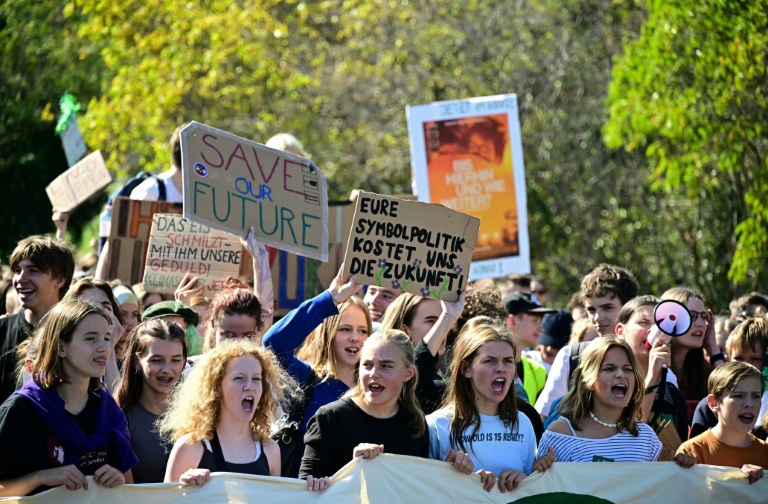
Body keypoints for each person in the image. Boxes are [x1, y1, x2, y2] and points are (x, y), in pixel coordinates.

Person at [300, 329, 472, 491]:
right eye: (367, 365)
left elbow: (418, 489)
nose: (374, 373)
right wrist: (353, 467)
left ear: (408, 373)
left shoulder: (415, 424)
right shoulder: (330, 418)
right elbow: (304, 488)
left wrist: (449, 470)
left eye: (386, 366)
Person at [0, 299, 137, 496]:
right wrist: (40, 478)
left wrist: (119, 479)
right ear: (61, 347)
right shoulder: (20, 410)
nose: (104, 348)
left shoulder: (110, 412)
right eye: (91, 338)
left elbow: (131, 490)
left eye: (106, 338)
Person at [427, 321, 555, 493]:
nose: (501, 369)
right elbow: (422, 488)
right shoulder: (438, 425)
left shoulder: (523, 422)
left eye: (508, 361)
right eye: (490, 361)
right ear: (466, 369)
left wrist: (527, 478)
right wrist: (453, 474)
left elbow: (530, 491)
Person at [262, 267, 366, 476]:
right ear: (329, 334)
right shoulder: (305, 379)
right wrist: (330, 300)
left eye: (363, 330)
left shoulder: (375, 389)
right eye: (345, 329)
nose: (355, 337)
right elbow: (274, 343)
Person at [537, 337, 693, 466]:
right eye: (609, 368)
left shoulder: (646, 437)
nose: (620, 375)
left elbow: (658, 490)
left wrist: (678, 466)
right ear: (588, 381)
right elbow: (538, 491)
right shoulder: (560, 433)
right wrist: (539, 469)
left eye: (627, 369)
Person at [160, 339, 295, 485]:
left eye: (256, 379)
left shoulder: (271, 450)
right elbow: (167, 500)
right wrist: (184, 488)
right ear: (216, 388)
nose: (250, 386)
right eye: (239, 378)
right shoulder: (190, 447)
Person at [535, 264, 639, 420]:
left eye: (607, 307)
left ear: (629, 307)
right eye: (591, 310)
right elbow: (544, 416)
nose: (597, 317)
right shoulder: (571, 356)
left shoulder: (646, 356)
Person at [0, 236, 75, 403]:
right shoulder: (2, 329)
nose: (20, 279)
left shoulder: (75, 334)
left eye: (33, 271)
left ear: (60, 280)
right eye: (17, 270)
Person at [115, 319, 187, 483]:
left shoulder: (198, 413)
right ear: (137, 362)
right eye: (156, 360)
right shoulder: (121, 417)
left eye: (176, 360)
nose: (167, 369)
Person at [677, 361, 768, 484]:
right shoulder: (692, 452)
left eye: (756, 396)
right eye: (738, 395)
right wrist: (735, 478)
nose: (749, 404)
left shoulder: (765, 453)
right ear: (714, 403)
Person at [614, 296, 688, 441]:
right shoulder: (608, 383)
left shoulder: (672, 393)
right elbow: (629, 434)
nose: (653, 330)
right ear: (620, 331)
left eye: (660, 324)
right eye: (643, 322)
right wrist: (653, 376)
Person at [378, 292, 464, 413]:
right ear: (405, 331)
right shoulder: (381, 377)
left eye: (442, 321)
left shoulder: (439, 379)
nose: (443, 328)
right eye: (431, 321)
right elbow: (417, 371)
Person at [690, 315, 768, 439]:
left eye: (755, 359)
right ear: (728, 359)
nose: (746, 366)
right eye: (738, 359)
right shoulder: (710, 407)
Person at [662, 287, 724, 412]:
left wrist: (712, 346)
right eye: (691, 316)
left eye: (703, 317)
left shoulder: (705, 369)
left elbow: (731, 396)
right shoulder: (652, 366)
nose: (700, 324)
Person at [62, 278, 127, 392]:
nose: (99, 314)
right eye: (88, 307)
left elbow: (116, 407)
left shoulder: (126, 367)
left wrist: (109, 349)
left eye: (106, 307)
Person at [502, 292, 551, 404]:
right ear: (512, 321)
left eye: (541, 321)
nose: (541, 329)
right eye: (535, 321)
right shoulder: (488, 367)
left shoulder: (538, 370)